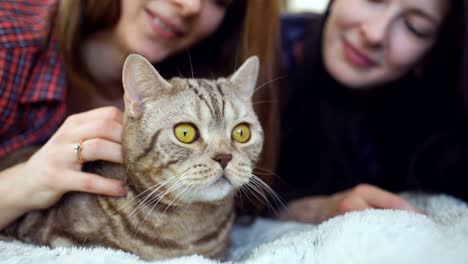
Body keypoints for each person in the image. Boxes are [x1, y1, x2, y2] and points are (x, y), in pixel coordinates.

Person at [0, 0, 280, 230]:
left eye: (218, 1)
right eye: (187, 132)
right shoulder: (8, 38)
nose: (190, 5)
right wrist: (22, 183)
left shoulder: (214, 72)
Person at [277, 0, 468, 224]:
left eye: (414, 27)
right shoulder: (265, 49)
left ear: (432, 51)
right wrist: (315, 210)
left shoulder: (436, 118)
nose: (375, 34)